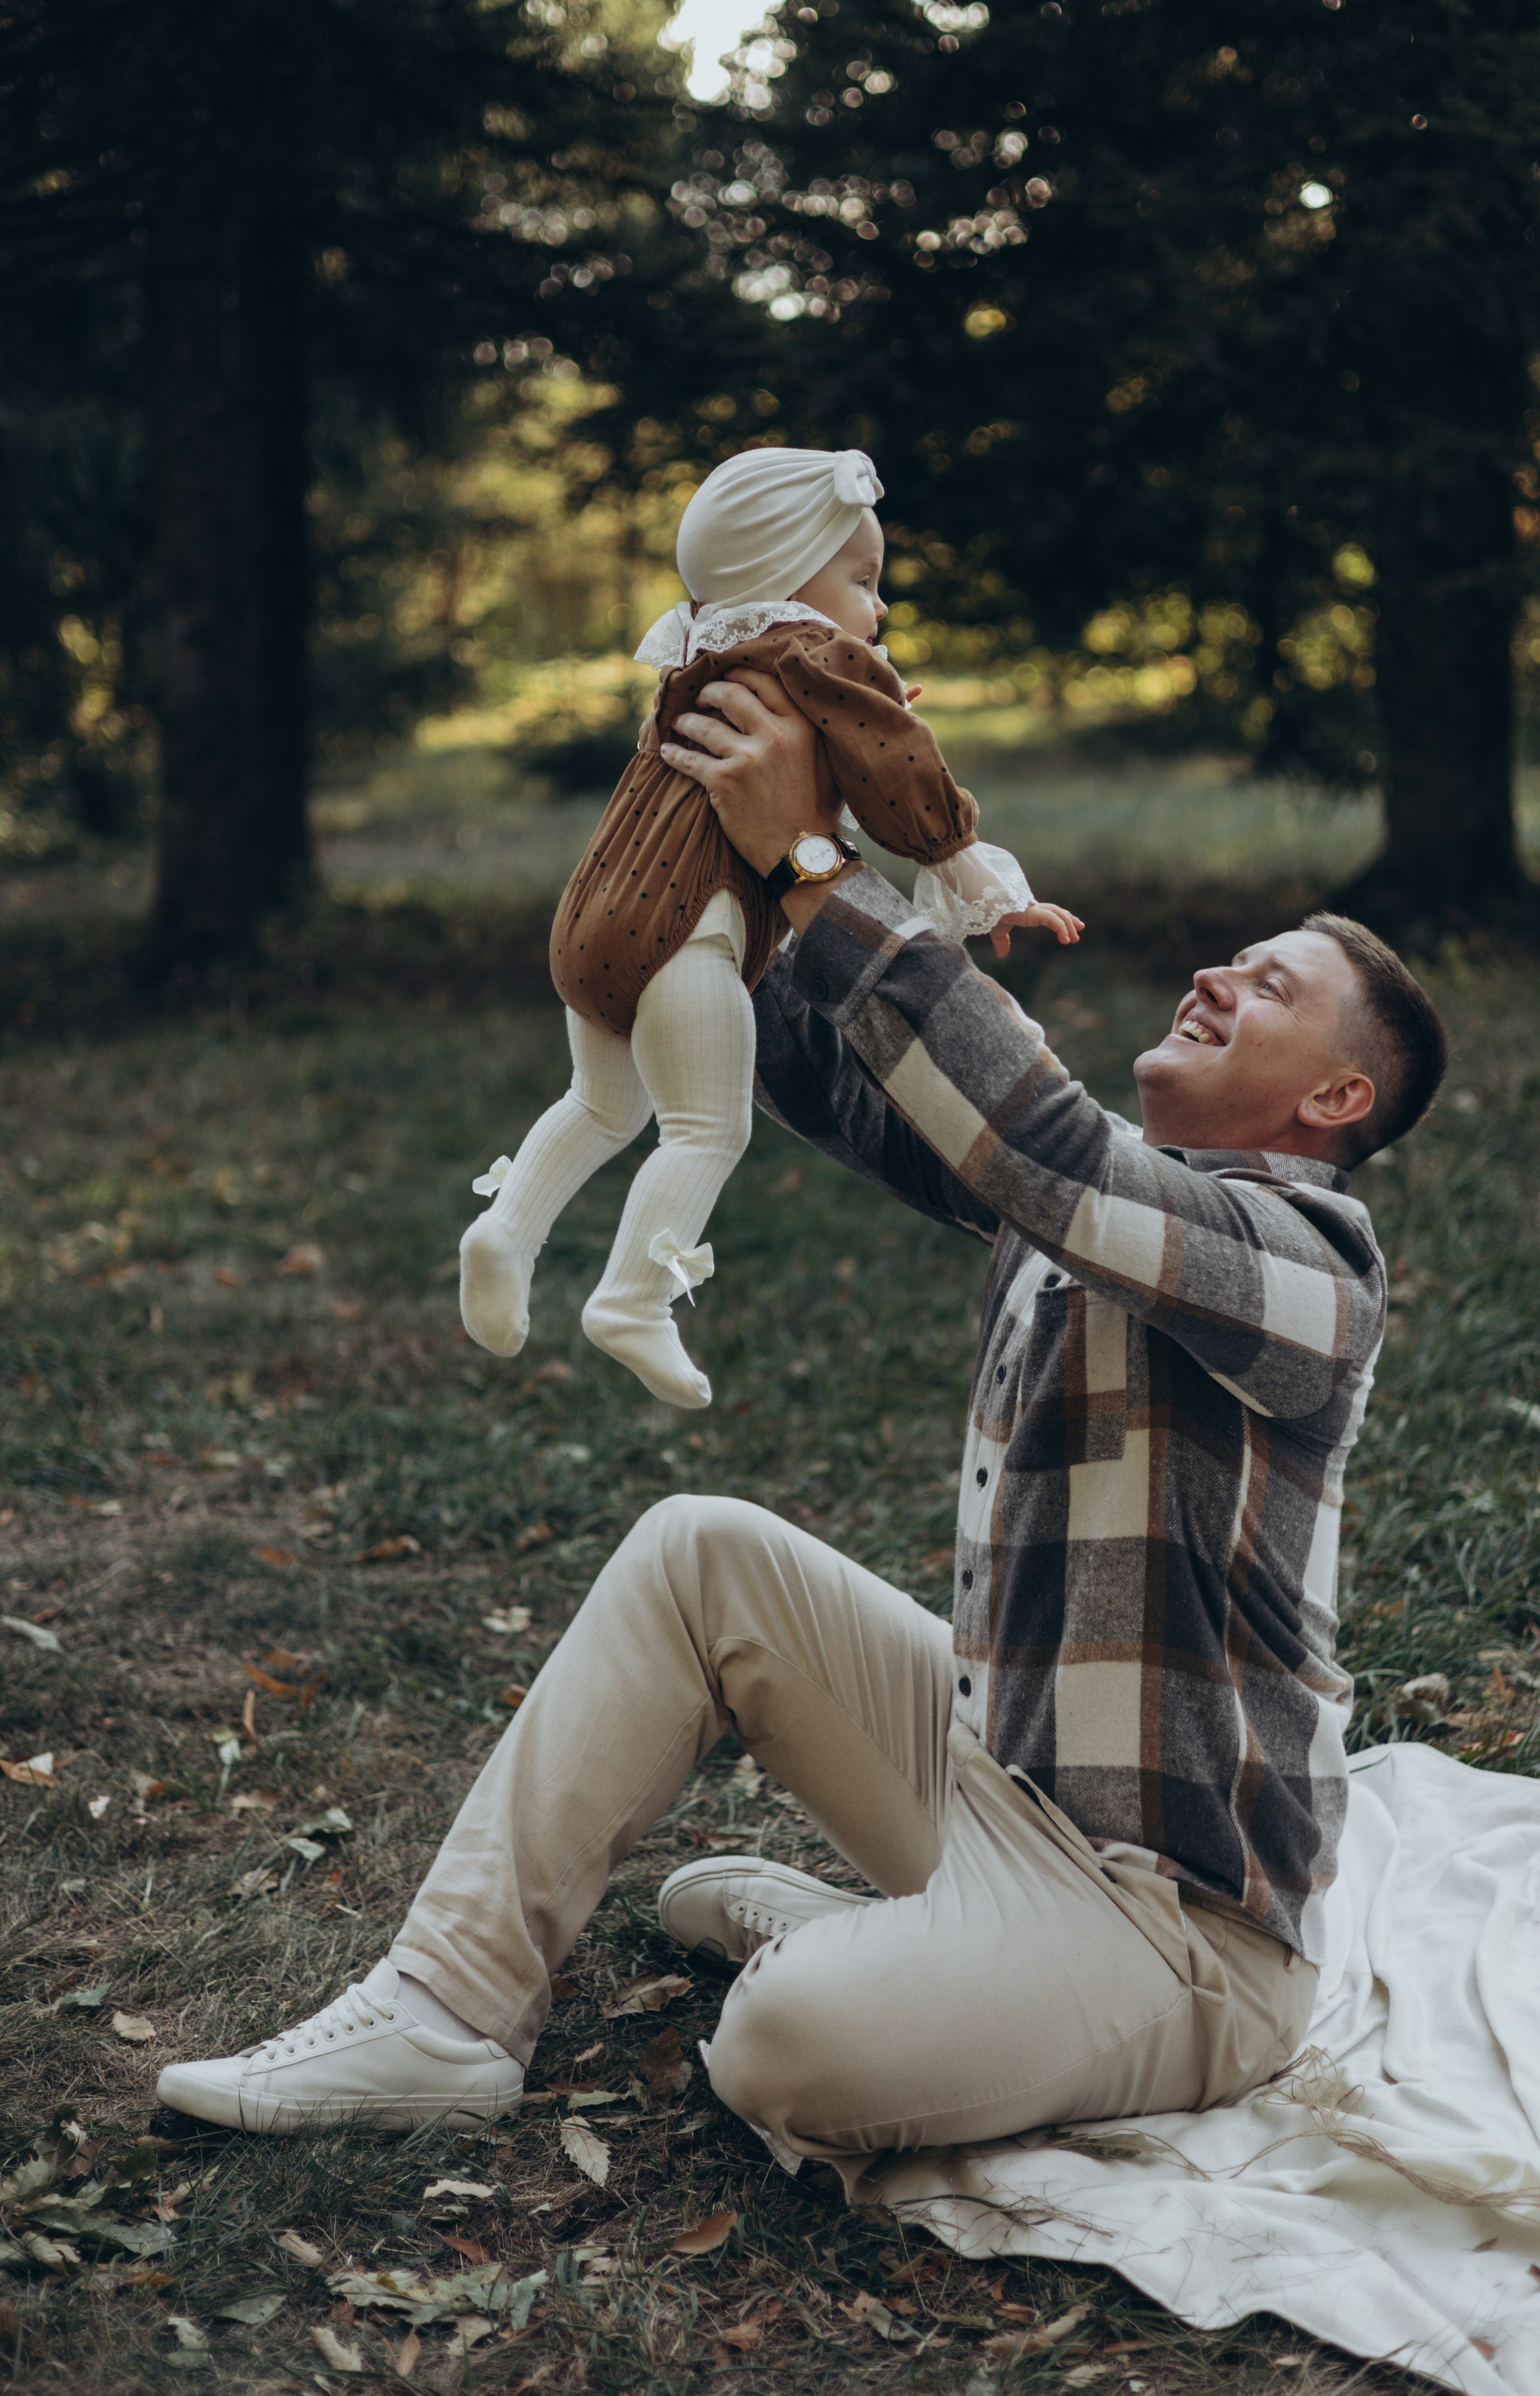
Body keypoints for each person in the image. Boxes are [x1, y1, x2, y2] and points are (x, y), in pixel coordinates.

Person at [155, 671, 1447, 2170]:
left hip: (1177, 1930)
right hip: (1003, 1786)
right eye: (1230, 958)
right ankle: (444, 2009)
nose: (1217, 979)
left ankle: (897, 1950)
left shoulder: (1306, 1268)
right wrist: (706, 868)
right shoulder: (1086, 1214)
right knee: (696, 1553)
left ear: (1337, 1096)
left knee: (780, 2042)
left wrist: (817, 871)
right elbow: (842, 1077)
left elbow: (1041, 1147)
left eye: (1270, 986)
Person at [457, 444, 1076, 1410]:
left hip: (590, 919)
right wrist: (967, 865)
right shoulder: (815, 653)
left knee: (601, 1103)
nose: (879, 609)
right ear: (789, 576)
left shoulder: (698, 649)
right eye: (863, 581)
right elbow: (899, 767)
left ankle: (505, 1232)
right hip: (685, 936)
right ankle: (631, 1300)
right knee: (705, 1125)